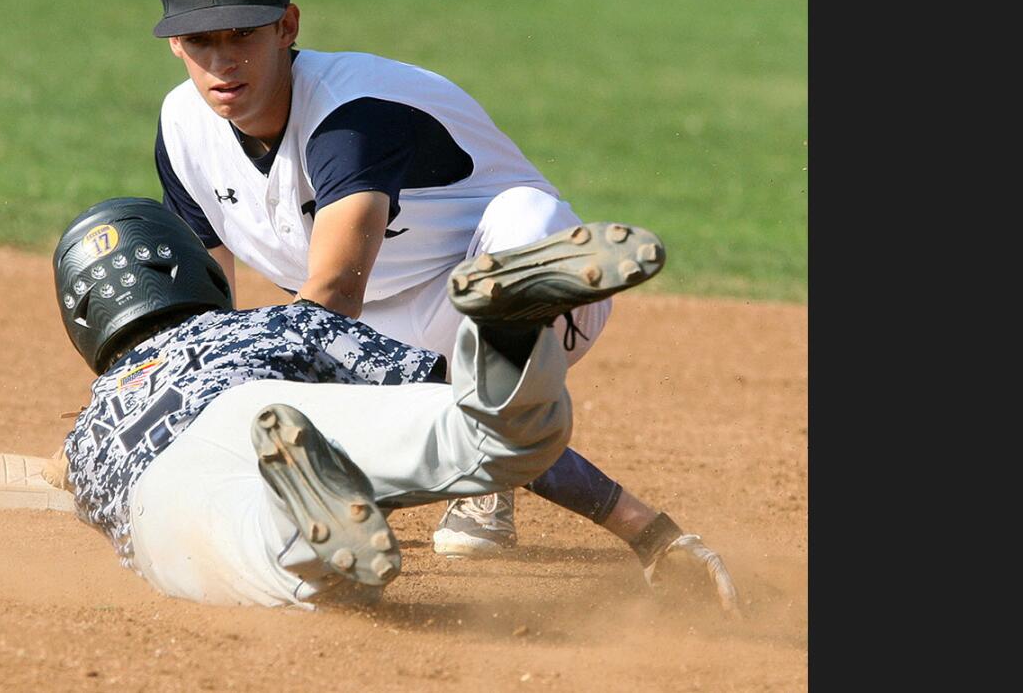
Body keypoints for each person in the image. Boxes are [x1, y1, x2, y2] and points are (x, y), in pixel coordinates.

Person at [149, 0, 654, 556]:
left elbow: (333, 295)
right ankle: (424, 448)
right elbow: (207, 316)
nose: (223, 61)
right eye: (201, 39)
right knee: (261, 374)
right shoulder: (182, 131)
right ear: (175, 42)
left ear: (287, 26)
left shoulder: (351, 114)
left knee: (529, 223)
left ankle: (488, 462)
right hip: (381, 327)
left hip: (501, 287)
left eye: (243, 35)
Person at [50, 196, 738, 615]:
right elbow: (429, 392)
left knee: (247, 550)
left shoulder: (86, 438)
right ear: (190, 270)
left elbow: (116, 531)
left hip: (167, 480)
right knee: (477, 435)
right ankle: (506, 338)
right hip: (273, 404)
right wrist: (648, 532)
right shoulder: (274, 325)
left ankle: (298, 521)